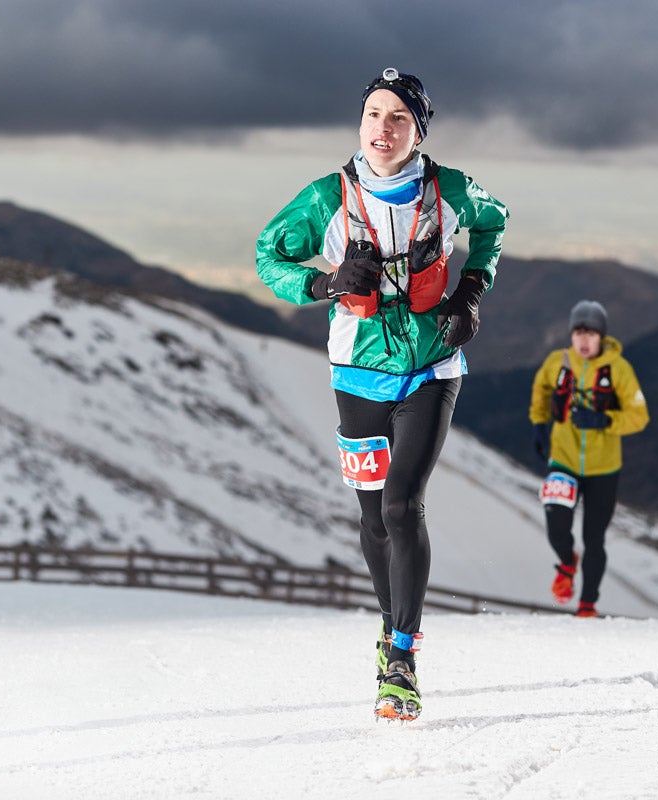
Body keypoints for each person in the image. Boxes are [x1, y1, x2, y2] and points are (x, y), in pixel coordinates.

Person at [256, 68, 508, 720]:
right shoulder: (325, 199)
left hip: (431, 367)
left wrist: (472, 293)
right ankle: (389, 623)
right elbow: (268, 255)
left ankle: (402, 654)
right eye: (373, 114)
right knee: (371, 519)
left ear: (418, 129)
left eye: (398, 117)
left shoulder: (448, 189)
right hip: (357, 371)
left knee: (402, 505)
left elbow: (495, 220)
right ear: (359, 122)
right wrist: (323, 284)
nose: (383, 129)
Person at [528, 300, 649, 617]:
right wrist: (540, 425)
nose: (584, 340)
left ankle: (587, 605)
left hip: (604, 467)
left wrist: (605, 421)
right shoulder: (558, 362)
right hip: (563, 459)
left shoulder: (618, 369)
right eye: (579, 332)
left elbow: (639, 416)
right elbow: (541, 390)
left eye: (591, 333)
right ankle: (567, 563)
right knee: (556, 526)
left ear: (601, 337)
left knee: (594, 538)